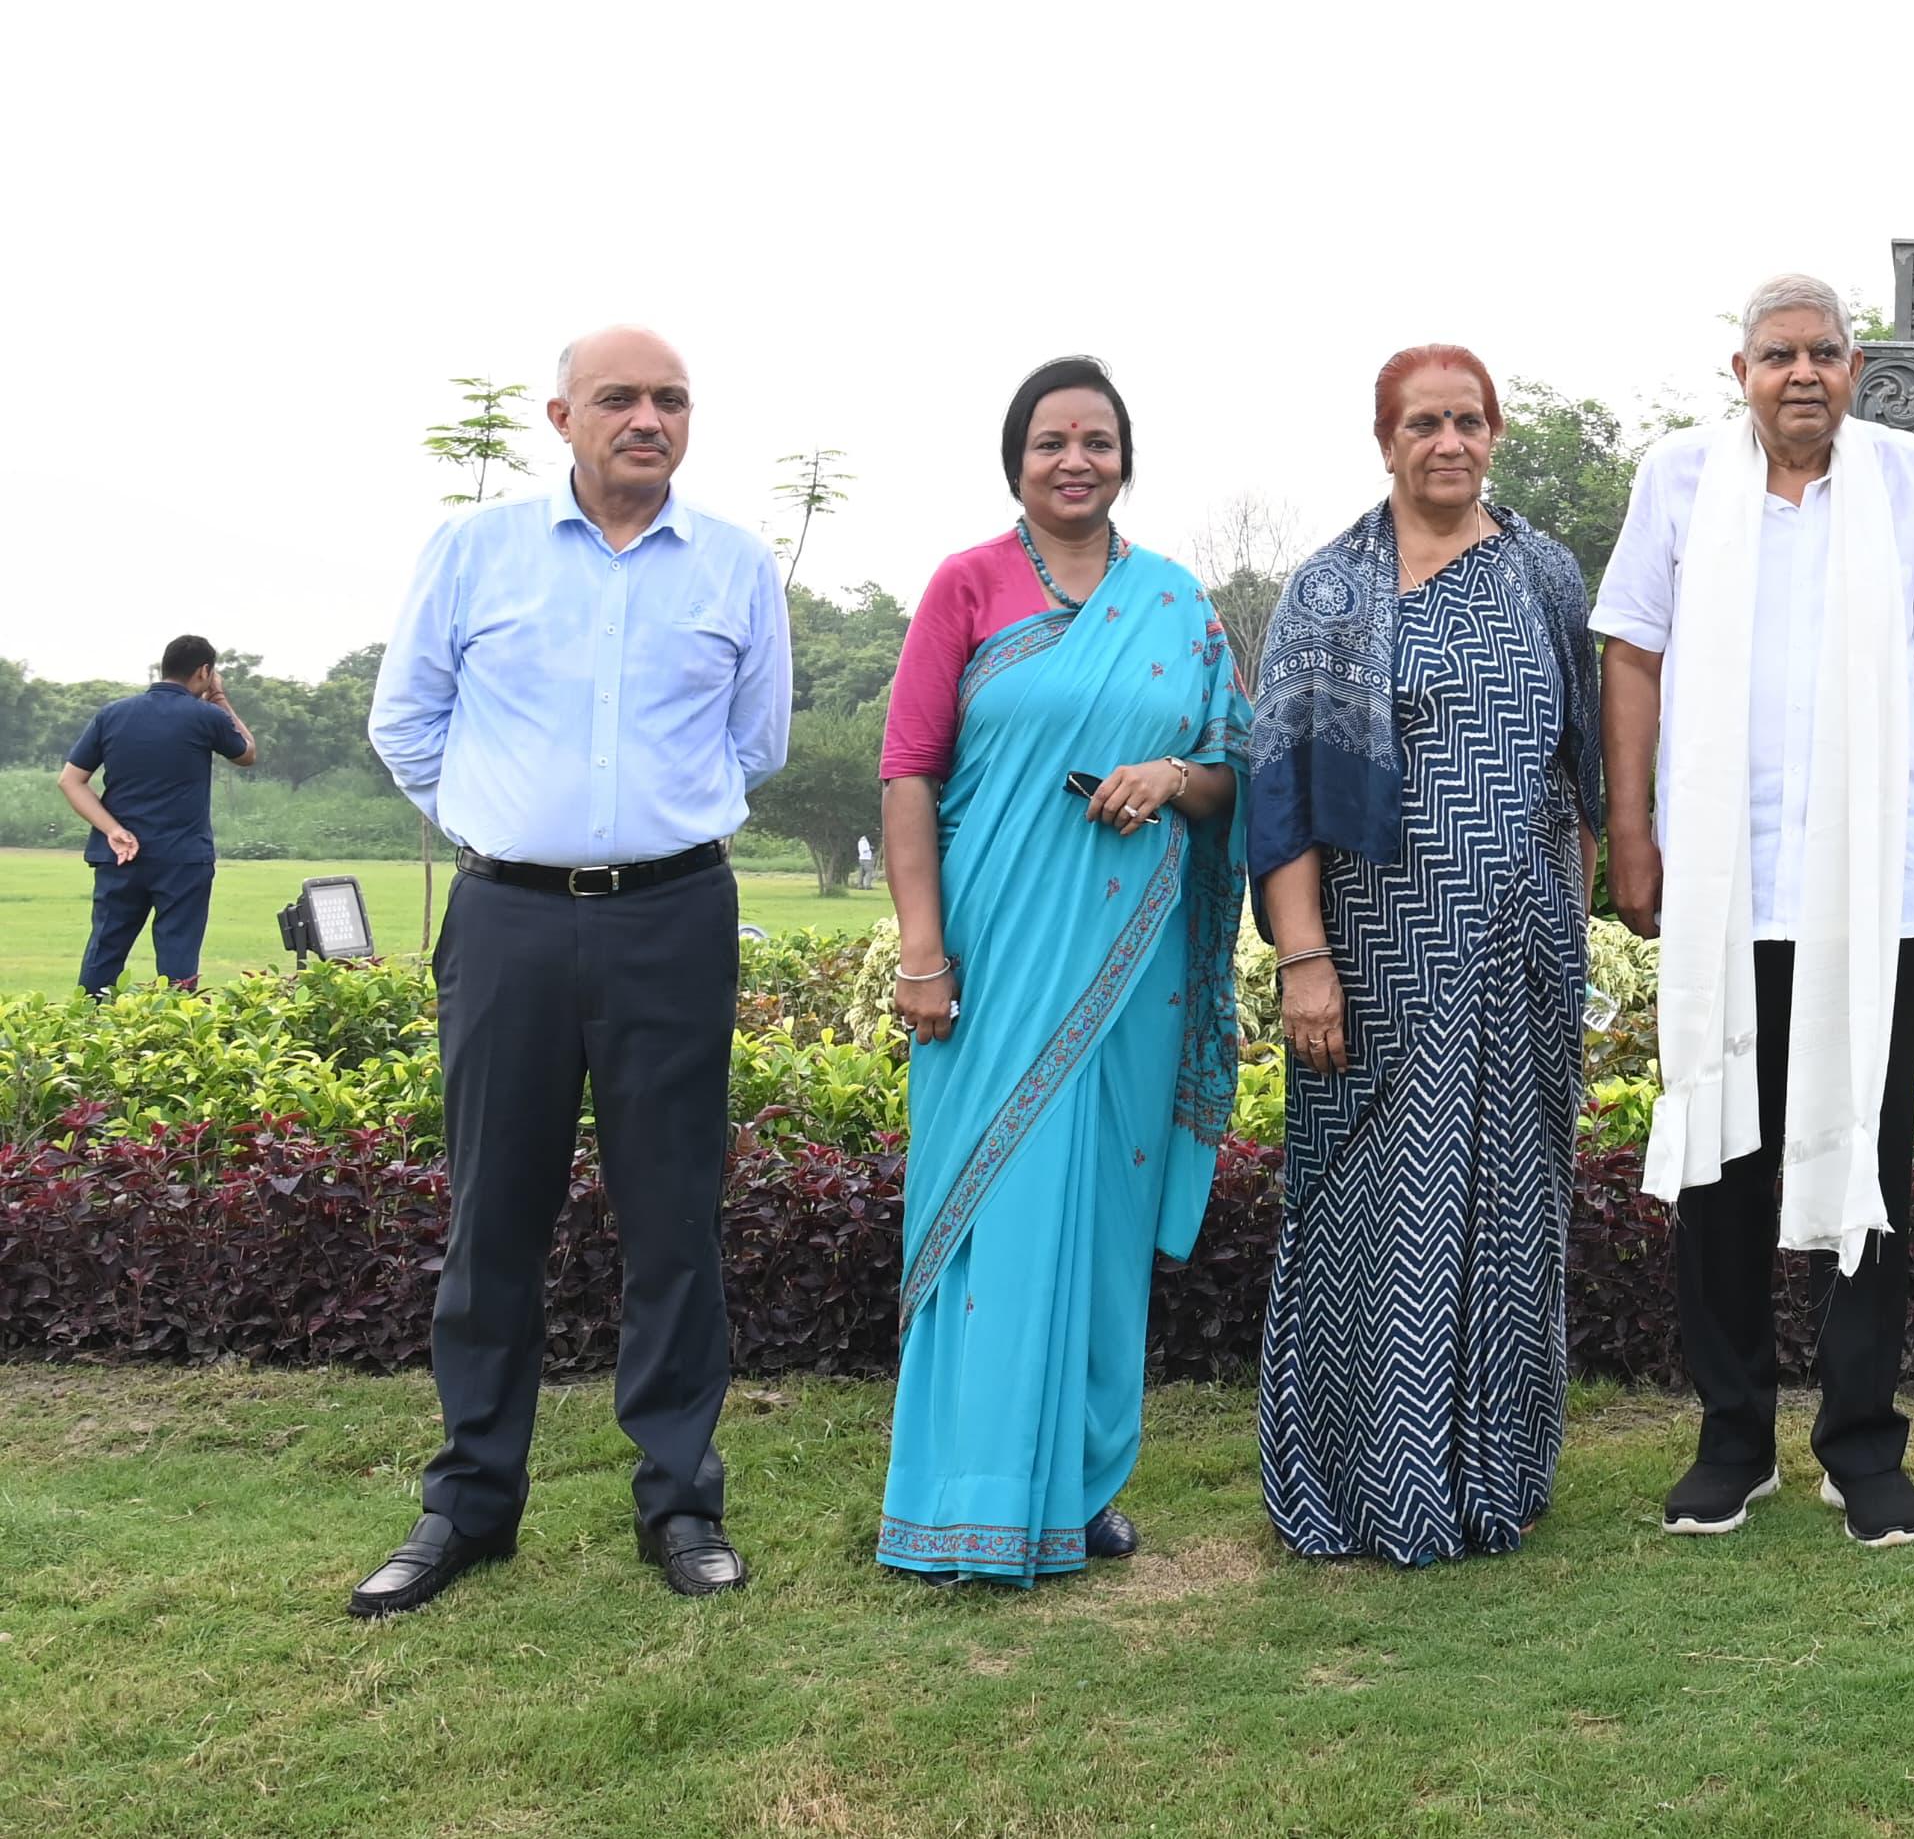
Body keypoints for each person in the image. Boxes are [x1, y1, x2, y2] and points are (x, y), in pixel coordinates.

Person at [354, 328, 790, 1618]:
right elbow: (405, 722)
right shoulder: (473, 551)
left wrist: (630, 834)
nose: (645, 419)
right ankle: (469, 1507)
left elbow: (753, 743)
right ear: (561, 416)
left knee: (674, 1222)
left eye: (669, 400)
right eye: (618, 398)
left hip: (673, 916)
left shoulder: (737, 565)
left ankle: (680, 1503)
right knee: (493, 1221)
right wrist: (507, 821)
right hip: (509, 927)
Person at [1596, 272, 1914, 1548]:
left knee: (1865, 1159)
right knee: (1720, 1162)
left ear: (1856, 367)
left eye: (1825, 352)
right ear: (1741, 372)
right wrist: (1632, 829)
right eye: (1780, 355)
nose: (1803, 374)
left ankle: (1861, 1445)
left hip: (1861, 883)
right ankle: (1732, 1438)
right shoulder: (1676, 482)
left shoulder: (1906, 476)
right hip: (1721, 882)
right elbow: (1632, 653)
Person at [871, 357, 1244, 1582]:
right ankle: (962, 1492)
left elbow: (1230, 769)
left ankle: (1080, 1488)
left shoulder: (1178, 604)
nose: (1074, 460)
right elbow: (910, 774)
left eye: (1096, 439)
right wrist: (922, 954)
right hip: (992, 951)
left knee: (1099, 1211)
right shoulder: (965, 586)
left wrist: (1174, 780)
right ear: (1015, 461)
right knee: (991, 1199)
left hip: (1130, 965)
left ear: (1124, 457)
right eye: (1050, 442)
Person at [1245, 345, 1603, 1565]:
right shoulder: (1329, 591)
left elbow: (1582, 779)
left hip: (1521, 952)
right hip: (1373, 952)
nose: (1446, 443)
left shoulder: (1545, 574)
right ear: (1384, 439)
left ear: (1495, 431)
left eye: (1466, 420)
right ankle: (1365, 1483)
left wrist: (1574, 937)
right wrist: (1304, 958)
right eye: (1421, 424)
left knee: (1510, 1204)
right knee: (1369, 1207)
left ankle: (1498, 1469)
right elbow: (1279, 793)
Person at [57, 635, 258, 996]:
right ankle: (173, 1044)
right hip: (182, 859)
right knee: (178, 965)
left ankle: (82, 1035)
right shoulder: (207, 716)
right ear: (205, 672)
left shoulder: (112, 714)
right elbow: (246, 753)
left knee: (103, 956)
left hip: (119, 856)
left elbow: (71, 781)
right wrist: (221, 698)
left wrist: (112, 830)